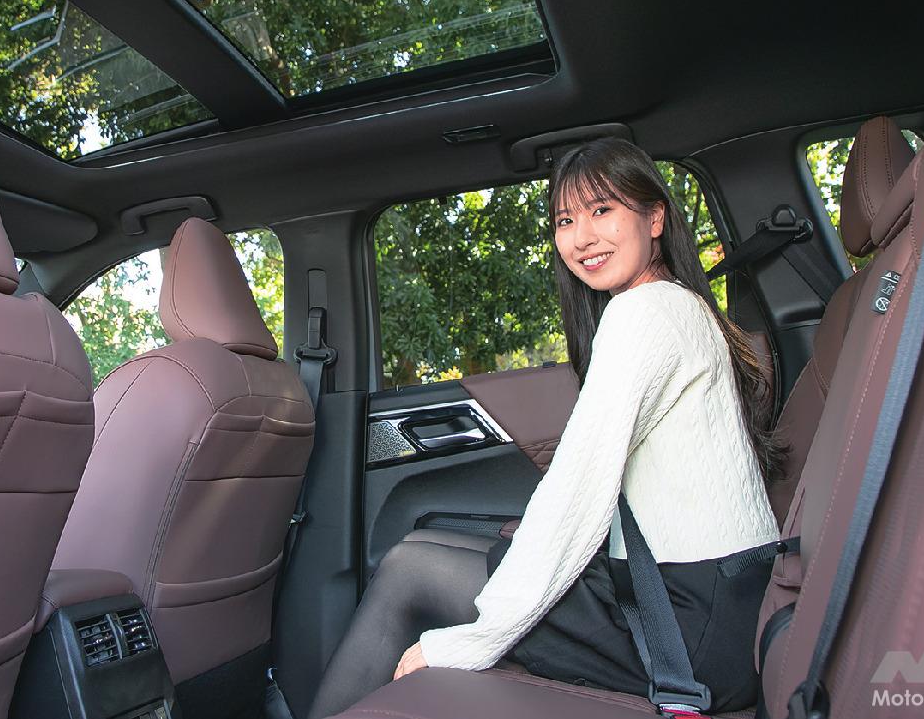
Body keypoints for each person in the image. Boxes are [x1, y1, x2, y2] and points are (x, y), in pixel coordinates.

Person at [306, 138, 784, 719]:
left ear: (655, 217)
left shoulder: (645, 313)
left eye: (602, 210)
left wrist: (469, 643)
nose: (582, 237)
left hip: (687, 628)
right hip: (718, 600)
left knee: (410, 570)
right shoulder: (677, 304)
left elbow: (577, 492)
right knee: (419, 548)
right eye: (565, 220)